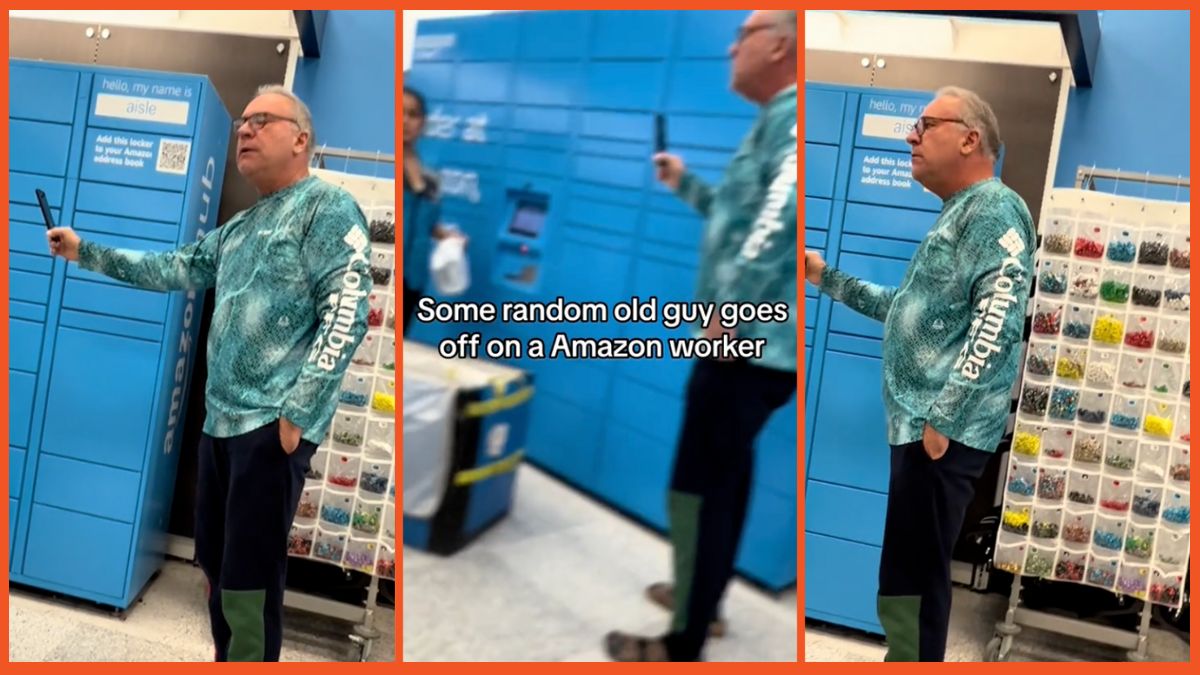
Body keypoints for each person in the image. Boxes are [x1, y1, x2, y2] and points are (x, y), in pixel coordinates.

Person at [46, 85, 371, 662]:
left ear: (301, 139)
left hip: (268, 430)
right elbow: (173, 266)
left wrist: (297, 415)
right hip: (219, 429)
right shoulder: (241, 227)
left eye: (260, 120)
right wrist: (84, 251)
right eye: (242, 121)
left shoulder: (326, 208)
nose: (244, 130)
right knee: (218, 571)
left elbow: (346, 313)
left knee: (248, 581)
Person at [805, 86, 1035, 662]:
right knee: (904, 575)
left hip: (939, 436)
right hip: (920, 430)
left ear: (969, 137)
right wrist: (826, 278)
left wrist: (944, 418)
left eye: (924, 124)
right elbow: (909, 311)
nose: (911, 135)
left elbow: (999, 320)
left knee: (916, 579)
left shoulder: (995, 209)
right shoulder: (960, 213)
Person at [604, 9, 798, 662]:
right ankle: (702, 599)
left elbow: (780, 225)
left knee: (695, 485)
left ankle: (683, 639)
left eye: (743, 34)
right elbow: (741, 220)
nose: (731, 45)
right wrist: (685, 183)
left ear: (779, 44)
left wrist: (731, 312)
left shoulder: (794, 121)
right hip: (755, 346)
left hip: (744, 345)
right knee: (725, 481)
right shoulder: (773, 123)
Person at [402, 86, 463, 335]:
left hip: (413, 278)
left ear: (423, 123)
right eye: (400, 112)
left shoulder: (432, 178)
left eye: (413, 114)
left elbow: (429, 225)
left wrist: (449, 237)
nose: (405, 120)